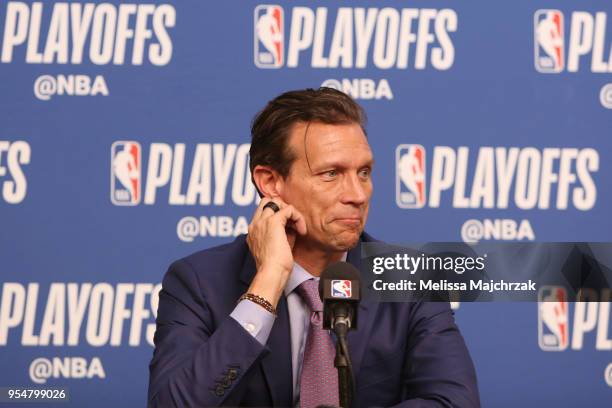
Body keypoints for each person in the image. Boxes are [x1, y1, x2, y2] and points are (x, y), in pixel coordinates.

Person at [147, 88, 480, 407]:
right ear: (270, 183)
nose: (357, 194)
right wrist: (269, 281)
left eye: (363, 172)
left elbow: (455, 402)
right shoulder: (198, 282)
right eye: (331, 173)